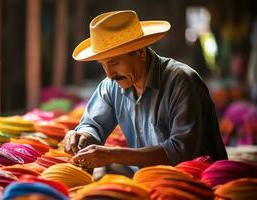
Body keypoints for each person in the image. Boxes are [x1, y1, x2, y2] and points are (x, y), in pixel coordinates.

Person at [63, 10, 227, 174]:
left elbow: (181, 152)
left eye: (114, 63)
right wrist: (82, 136)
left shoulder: (182, 82)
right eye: (102, 65)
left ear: (140, 51)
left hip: (197, 183)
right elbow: (92, 125)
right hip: (151, 180)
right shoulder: (111, 86)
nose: (109, 74)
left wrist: (114, 155)